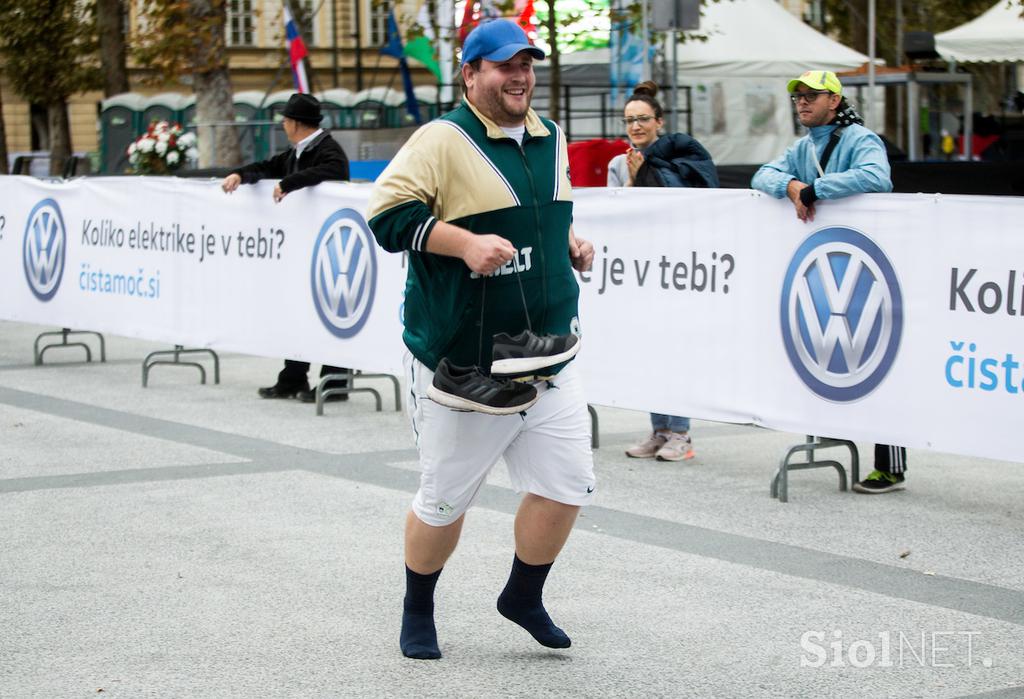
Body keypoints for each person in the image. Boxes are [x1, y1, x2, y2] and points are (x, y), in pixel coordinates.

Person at [366, 19, 596, 660]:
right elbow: (385, 218)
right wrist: (463, 243)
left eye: (526, 62)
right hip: (464, 360)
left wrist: (568, 244)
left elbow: (550, 213)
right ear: (470, 74)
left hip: (549, 349)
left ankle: (522, 595)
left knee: (568, 483)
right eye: (503, 65)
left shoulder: (551, 135)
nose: (519, 74)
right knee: (444, 502)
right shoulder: (441, 139)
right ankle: (418, 609)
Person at [750, 70, 906, 494]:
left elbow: (877, 178)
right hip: (827, 265)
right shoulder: (802, 147)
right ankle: (837, 434)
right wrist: (792, 185)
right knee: (832, 354)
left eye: (811, 96)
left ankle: (891, 465)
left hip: (869, 265)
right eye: (797, 97)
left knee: (877, 355)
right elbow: (762, 175)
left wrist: (816, 188)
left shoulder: (860, 139)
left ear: (834, 101)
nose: (801, 102)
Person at [611, 81, 719, 463]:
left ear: (659, 121)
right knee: (649, 347)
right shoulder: (618, 163)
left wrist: (646, 176)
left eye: (642, 119)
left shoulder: (679, 158)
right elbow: (618, 212)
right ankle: (658, 430)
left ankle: (681, 433)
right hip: (641, 267)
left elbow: (684, 204)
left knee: (676, 346)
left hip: (677, 265)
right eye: (629, 120)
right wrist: (631, 179)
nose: (636, 127)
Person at [221, 92, 352, 404]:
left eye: (285, 119)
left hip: (329, 251)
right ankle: (293, 376)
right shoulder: (296, 152)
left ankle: (335, 381)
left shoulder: (327, 150)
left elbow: (332, 171)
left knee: (331, 312)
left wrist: (290, 183)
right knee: (297, 311)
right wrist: (241, 174)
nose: (282, 124)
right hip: (302, 248)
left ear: (295, 123)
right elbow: (268, 166)